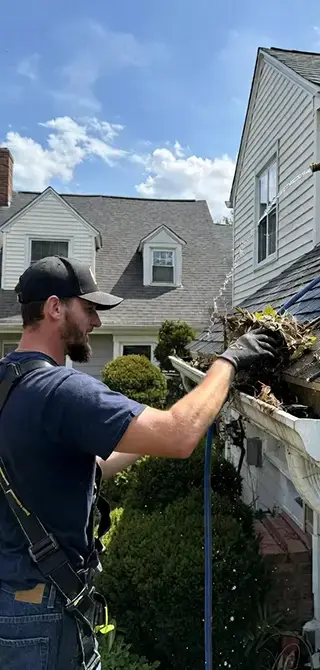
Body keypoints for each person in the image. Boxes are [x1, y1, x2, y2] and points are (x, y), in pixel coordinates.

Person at [0, 255, 281, 669]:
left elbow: (78, 471)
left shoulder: (9, 382)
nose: (95, 323)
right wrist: (230, 361)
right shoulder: (59, 390)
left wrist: (156, 429)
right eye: (89, 308)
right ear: (55, 308)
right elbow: (179, 435)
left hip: (13, 604)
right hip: (44, 619)